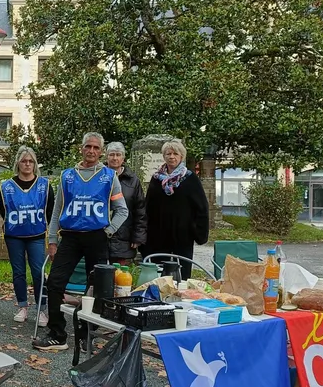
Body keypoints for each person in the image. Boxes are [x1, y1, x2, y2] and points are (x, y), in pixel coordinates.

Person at [34, 132, 129, 351]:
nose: (92, 151)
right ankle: (57, 334)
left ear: (101, 151)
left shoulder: (109, 176)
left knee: (96, 288)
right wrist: (52, 239)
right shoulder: (68, 176)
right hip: (70, 236)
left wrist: (109, 231)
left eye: (96, 148)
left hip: (97, 236)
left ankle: (86, 334)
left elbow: (122, 210)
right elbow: (57, 210)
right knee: (55, 282)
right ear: (81, 148)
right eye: (88, 147)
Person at [0, 146, 54, 325]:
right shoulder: (7, 186)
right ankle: (22, 306)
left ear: (35, 164)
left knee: (39, 271)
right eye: (24, 161)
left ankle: (41, 309)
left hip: (36, 234)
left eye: (31, 161)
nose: (27, 164)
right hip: (14, 235)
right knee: (19, 272)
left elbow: (50, 210)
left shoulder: (44, 185)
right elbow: (3, 210)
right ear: (18, 163)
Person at [143, 139, 209, 280]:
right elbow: (147, 206)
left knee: (182, 275)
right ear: (164, 156)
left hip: (182, 235)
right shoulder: (156, 179)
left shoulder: (190, 179)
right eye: (168, 153)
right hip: (158, 234)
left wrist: (198, 231)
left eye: (175, 154)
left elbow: (201, 207)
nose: (171, 157)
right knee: (159, 275)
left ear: (181, 156)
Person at [105, 142, 147, 265]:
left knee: (121, 276)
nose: (115, 158)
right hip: (100, 234)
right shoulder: (98, 176)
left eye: (118, 155)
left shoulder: (133, 181)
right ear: (106, 157)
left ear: (123, 158)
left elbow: (140, 210)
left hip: (124, 236)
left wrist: (138, 236)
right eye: (111, 155)